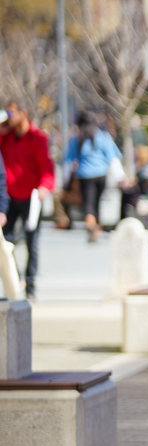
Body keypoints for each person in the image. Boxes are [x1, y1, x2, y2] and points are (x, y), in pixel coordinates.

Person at [0, 102, 55, 299]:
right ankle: (14, 282)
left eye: (11, 113)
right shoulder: (5, 137)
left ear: (24, 113)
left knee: (32, 242)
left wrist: (44, 187)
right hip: (9, 197)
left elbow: (47, 169)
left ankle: (30, 285)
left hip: (31, 198)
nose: (9, 117)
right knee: (5, 242)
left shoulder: (38, 138)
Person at [65, 111, 122, 243]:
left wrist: (66, 179)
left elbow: (68, 161)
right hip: (102, 174)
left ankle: (92, 226)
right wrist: (120, 177)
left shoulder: (77, 139)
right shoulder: (103, 137)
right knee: (97, 202)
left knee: (88, 204)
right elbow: (113, 159)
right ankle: (97, 227)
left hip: (85, 175)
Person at [118, 145, 148, 220]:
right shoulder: (145, 169)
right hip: (146, 198)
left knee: (126, 194)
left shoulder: (146, 171)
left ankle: (123, 219)